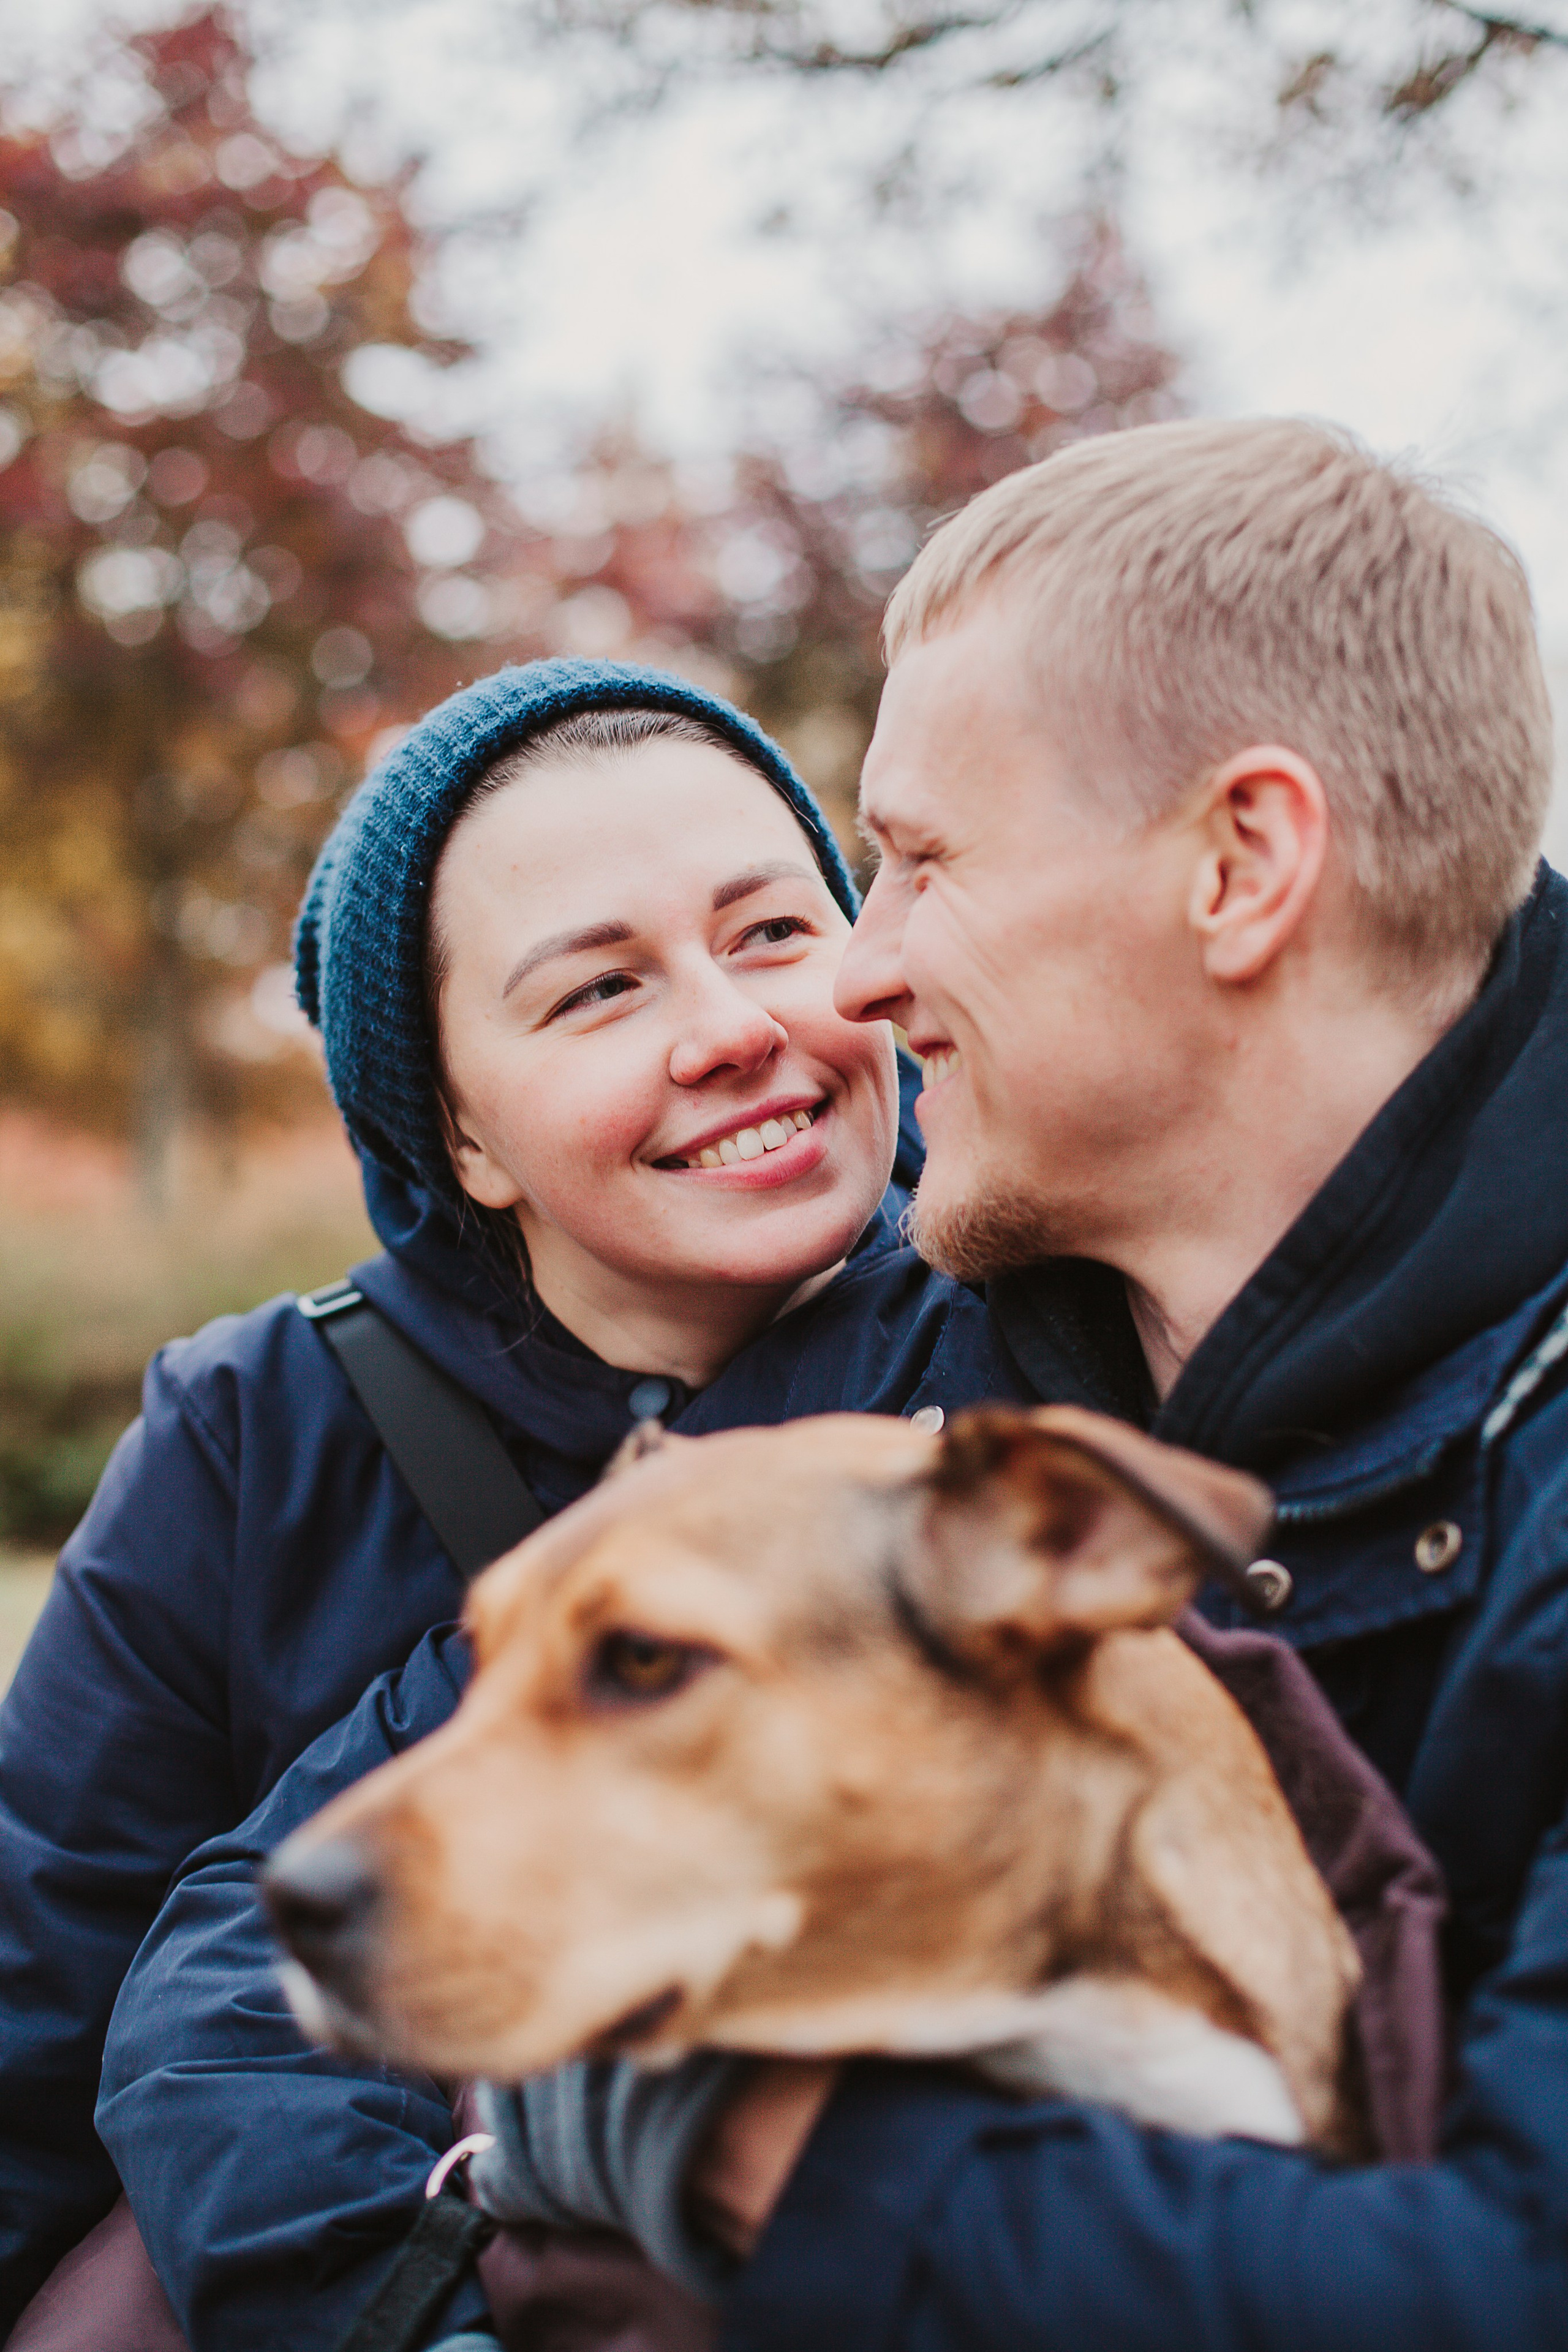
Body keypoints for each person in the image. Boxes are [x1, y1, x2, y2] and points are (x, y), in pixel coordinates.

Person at [0, 657, 1027, 2339]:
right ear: (458, 1131)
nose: (735, 1028)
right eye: (599, 990)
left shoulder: (1049, 1326)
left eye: (775, 932)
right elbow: (45, 1998)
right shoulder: (257, 1435)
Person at [677, 420, 1568, 2348]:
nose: (853, 972)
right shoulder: (897, 1353)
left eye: (920, 862)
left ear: (1244, 863)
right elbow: (296, 1898)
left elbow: (1521, 2286)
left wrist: (760, 2160)